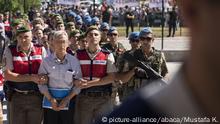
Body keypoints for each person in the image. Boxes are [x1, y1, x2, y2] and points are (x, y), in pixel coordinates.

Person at [96, 1, 220, 122]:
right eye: (142, 38)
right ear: (191, 10)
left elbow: (164, 75)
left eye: (148, 39)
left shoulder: (159, 56)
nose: (145, 41)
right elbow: (120, 78)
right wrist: (133, 71)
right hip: (133, 97)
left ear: (153, 40)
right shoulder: (128, 56)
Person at [3, 25, 48, 124]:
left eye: (26, 37)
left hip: (37, 96)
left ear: (32, 37)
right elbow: (7, 75)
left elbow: (47, 73)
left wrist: (45, 78)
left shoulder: (41, 50)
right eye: (20, 37)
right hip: (17, 96)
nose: (23, 40)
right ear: (16, 38)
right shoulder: (10, 50)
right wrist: (31, 77)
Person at [75, 26, 117, 124]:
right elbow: (73, 75)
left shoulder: (107, 55)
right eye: (90, 35)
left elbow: (111, 78)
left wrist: (90, 84)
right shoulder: (78, 54)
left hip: (103, 99)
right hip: (84, 98)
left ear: (100, 37)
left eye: (96, 34)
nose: (93, 36)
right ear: (86, 38)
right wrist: (75, 81)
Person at [38, 31, 82, 124]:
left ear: (67, 43)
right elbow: (41, 83)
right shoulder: (46, 62)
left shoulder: (74, 61)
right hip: (50, 101)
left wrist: (67, 99)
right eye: (58, 42)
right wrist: (51, 99)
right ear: (53, 43)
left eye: (63, 42)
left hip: (69, 101)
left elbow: (78, 84)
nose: (61, 45)